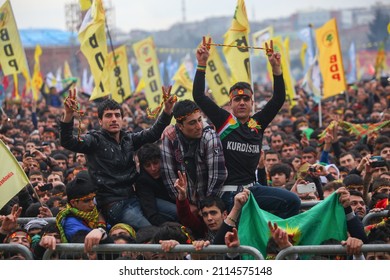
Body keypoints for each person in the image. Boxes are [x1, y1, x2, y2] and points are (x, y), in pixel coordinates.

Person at [193, 40, 300, 217]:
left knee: (293, 201)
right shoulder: (223, 121)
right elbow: (198, 95)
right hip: (229, 194)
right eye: (237, 100)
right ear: (231, 103)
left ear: (252, 103)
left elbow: (279, 98)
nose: (241, 103)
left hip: (253, 190)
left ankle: (280, 240)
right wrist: (202, 63)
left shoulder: (257, 123)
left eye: (246, 100)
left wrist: (276, 69)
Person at [60, 88, 176, 230]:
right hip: (113, 204)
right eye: (108, 116)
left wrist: (167, 111)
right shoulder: (94, 140)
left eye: (117, 115)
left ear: (122, 119)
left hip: (135, 198)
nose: (114, 119)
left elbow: (153, 133)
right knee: (149, 230)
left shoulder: (128, 139)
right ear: (100, 121)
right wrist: (68, 114)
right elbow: (68, 141)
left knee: (178, 213)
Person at [161, 99, 227, 209]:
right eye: (192, 123)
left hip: (211, 204)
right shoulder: (170, 138)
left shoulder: (210, 137)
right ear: (180, 126)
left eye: (199, 120)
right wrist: (185, 203)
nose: (199, 126)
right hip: (184, 203)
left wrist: (206, 206)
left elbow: (217, 176)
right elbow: (169, 178)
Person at [56, 170, 109, 253]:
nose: (92, 204)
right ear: (73, 202)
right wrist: (101, 228)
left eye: (92, 199)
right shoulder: (70, 222)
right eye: (87, 201)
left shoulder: (96, 212)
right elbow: (90, 241)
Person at [135, 143, 178, 226]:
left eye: (155, 163)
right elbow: (151, 213)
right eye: (148, 165)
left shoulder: (170, 170)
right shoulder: (142, 181)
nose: (153, 168)